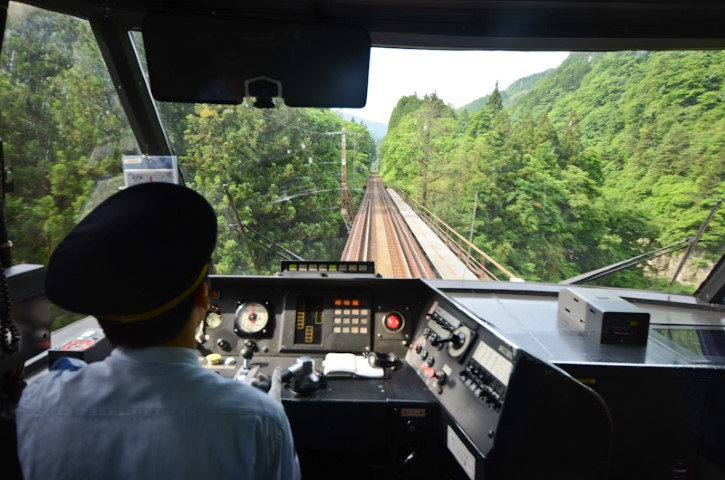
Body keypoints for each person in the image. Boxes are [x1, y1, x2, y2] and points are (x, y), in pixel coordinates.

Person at [16, 182, 300, 480]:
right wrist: (266, 410)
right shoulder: (259, 418)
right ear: (204, 298)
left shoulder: (38, 403)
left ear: (100, 313)